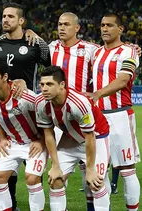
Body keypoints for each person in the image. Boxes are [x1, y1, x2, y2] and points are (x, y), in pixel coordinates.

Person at [0, 4, 51, 209]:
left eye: (10, 16)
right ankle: (12, 204)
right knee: (8, 170)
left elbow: (50, 67)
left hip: (29, 108)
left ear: (21, 21)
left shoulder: (34, 43)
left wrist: (36, 35)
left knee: (34, 171)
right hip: (6, 112)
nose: (5, 20)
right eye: (3, 16)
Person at [36, 65, 110, 211]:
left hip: (96, 137)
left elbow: (90, 136)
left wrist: (89, 169)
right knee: (55, 180)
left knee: (96, 182)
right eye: (42, 84)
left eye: (50, 84)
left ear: (62, 85)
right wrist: (55, 166)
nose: (44, 88)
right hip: (71, 138)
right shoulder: (41, 103)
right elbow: (49, 134)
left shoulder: (78, 103)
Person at [86, 13, 140, 211]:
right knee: (101, 171)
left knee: (127, 170)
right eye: (102, 25)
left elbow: (124, 80)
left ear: (121, 29)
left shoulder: (129, 52)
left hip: (120, 116)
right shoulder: (97, 53)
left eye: (109, 25)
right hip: (98, 118)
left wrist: (97, 94)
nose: (105, 29)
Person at [0, 57, 47, 211]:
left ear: (5, 77)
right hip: (13, 143)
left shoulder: (26, 97)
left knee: (31, 179)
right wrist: (2, 138)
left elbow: (48, 117)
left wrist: (42, 141)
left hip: (35, 143)